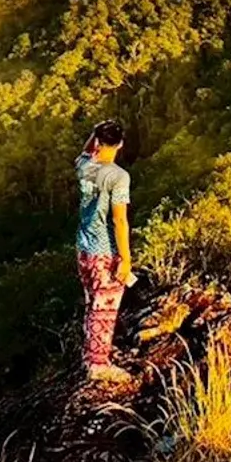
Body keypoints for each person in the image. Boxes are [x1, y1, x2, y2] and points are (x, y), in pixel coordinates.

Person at [75, 119, 133, 382]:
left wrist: (95, 132)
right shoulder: (118, 176)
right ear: (120, 144)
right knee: (105, 307)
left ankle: (90, 356)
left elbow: (84, 153)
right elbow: (119, 220)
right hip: (105, 248)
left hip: (84, 247)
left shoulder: (85, 167)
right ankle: (99, 364)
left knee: (92, 303)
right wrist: (126, 259)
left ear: (98, 141)